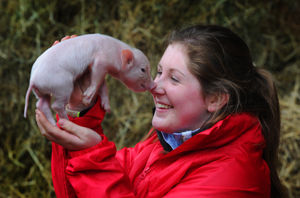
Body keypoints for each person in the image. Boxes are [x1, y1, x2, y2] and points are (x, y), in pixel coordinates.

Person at [35, 25, 287, 198]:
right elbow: (78, 190)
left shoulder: (233, 178)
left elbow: (100, 175)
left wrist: (92, 158)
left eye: (174, 79)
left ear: (216, 98)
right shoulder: (161, 146)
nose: (155, 86)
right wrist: (82, 110)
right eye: (158, 72)